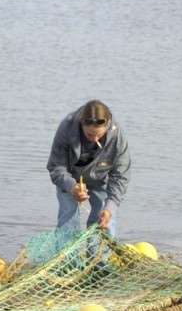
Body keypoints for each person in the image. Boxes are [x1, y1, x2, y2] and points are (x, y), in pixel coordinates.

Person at [47, 100, 131, 236]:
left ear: (107, 125)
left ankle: (99, 257)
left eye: (99, 135)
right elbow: (56, 166)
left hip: (100, 179)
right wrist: (71, 186)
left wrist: (109, 208)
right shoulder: (66, 127)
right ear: (81, 123)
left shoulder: (117, 135)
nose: (94, 139)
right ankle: (67, 256)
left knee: (104, 220)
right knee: (68, 215)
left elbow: (121, 176)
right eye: (89, 135)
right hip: (70, 179)